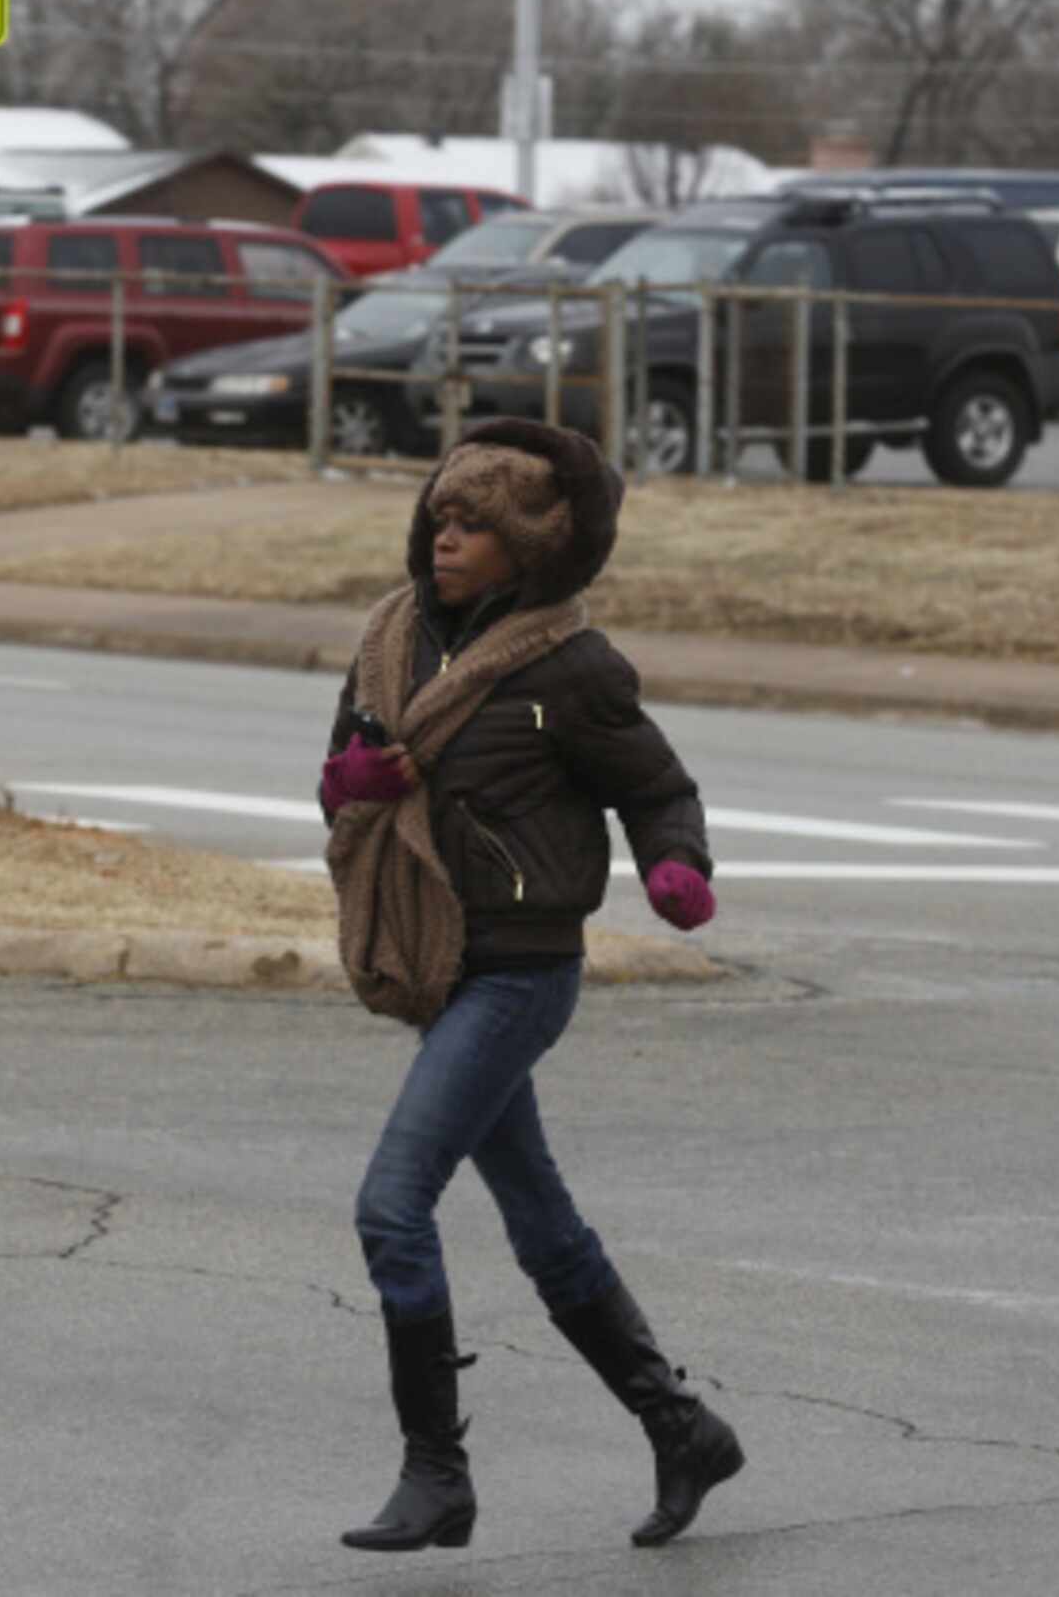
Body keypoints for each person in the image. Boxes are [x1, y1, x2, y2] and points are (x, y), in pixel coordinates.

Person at [320, 417, 742, 1554]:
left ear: (530, 551)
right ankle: (681, 1426)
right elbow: (340, 776)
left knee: (390, 1205)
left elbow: (658, 787)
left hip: (522, 969)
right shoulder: (389, 642)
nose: (446, 542)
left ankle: (437, 1474)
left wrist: (675, 866)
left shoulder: (571, 668)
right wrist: (351, 778)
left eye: (476, 528)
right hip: (436, 962)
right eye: (441, 520)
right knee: (542, 1225)